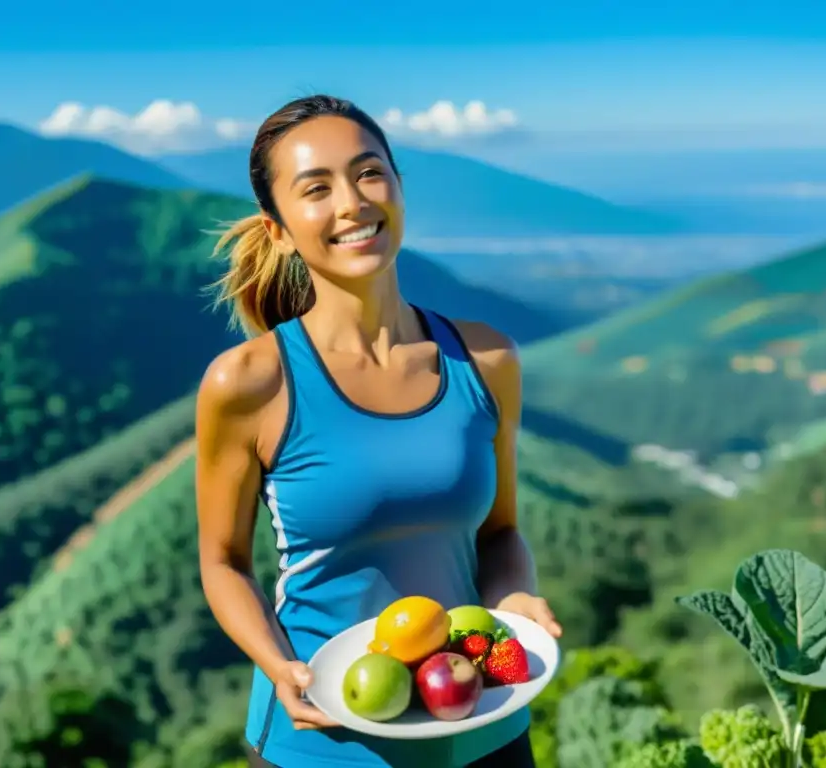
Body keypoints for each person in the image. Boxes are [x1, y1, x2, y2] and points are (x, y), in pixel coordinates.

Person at [194, 94, 562, 768]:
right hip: (322, 740)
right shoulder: (249, 383)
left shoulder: (485, 361)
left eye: (369, 173)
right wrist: (279, 665)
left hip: (483, 727)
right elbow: (223, 563)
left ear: (397, 187)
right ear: (278, 229)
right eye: (316, 188)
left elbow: (500, 533)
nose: (352, 203)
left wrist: (513, 603)